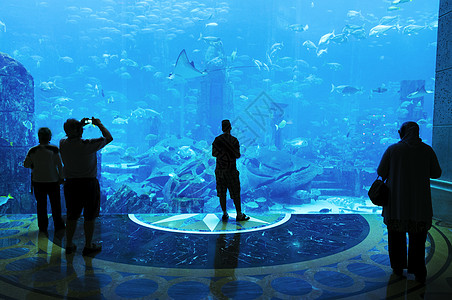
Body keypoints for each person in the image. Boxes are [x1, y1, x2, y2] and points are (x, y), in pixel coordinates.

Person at [377, 121, 441, 283]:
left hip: (396, 205)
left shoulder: (393, 150)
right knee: (418, 240)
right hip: (420, 206)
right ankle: (419, 270)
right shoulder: (427, 150)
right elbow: (436, 173)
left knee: (395, 237)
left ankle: (397, 268)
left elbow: (380, 171)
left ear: (402, 133)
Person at [59, 117, 113, 255]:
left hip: (71, 184)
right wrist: (98, 123)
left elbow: (70, 135)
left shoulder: (63, 143)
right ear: (80, 131)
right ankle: (88, 245)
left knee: (72, 216)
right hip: (88, 184)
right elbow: (109, 137)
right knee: (89, 216)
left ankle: (69, 244)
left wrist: (79, 127)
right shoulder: (88, 145)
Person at [23, 127, 65, 233]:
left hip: (38, 181)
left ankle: (42, 226)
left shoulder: (33, 150)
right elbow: (60, 165)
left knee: (41, 205)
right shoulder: (54, 149)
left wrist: (34, 164)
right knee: (56, 204)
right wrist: (61, 177)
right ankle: (58, 225)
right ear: (50, 137)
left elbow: (26, 164)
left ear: (39, 137)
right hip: (53, 181)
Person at [212, 119, 250, 221]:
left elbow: (213, 154)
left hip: (220, 171)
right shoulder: (234, 140)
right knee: (236, 193)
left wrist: (222, 153)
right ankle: (239, 214)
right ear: (230, 128)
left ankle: (224, 213)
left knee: (222, 193)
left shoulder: (217, 140)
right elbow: (237, 155)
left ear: (222, 128)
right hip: (231, 170)